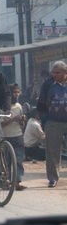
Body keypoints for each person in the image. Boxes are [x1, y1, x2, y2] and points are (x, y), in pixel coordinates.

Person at [36, 60, 67, 188]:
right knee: (52, 151)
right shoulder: (48, 84)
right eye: (53, 72)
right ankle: (53, 178)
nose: (54, 75)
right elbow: (41, 103)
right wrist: (45, 120)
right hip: (53, 121)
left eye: (57, 73)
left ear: (65, 73)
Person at [0, 84, 26, 191]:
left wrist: (21, 120)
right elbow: (1, 124)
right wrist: (13, 119)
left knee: (18, 161)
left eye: (17, 92)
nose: (16, 95)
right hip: (6, 137)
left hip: (18, 136)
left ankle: (17, 181)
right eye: (14, 92)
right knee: (6, 161)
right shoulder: (3, 108)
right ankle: (5, 181)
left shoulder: (19, 106)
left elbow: (21, 124)